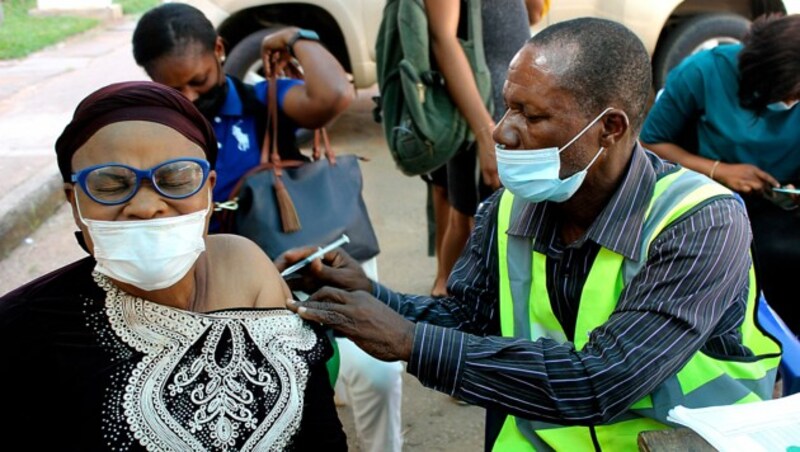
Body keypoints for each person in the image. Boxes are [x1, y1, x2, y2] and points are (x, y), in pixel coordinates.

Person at [278, 18, 782, 451]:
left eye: (532, 115)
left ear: (609, 128)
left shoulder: (700, 222)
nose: (501, 131)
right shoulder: (509, 209)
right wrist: (374, 298)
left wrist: (410, 341)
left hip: (676, 442)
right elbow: (469, 319)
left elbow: (604, 379)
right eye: (507, 106)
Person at [0, 81, 346, 450]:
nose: (147, 207)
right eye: (111, 185)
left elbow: (316, 427)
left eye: (177, 179)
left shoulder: (246, 268)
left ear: (210, 192)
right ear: (75, 202)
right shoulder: (23, 328)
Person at [131, 5, 404, 451]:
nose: (190, 96)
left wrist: (299, 36)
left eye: (197, 80)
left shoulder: (258, 99)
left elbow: (333, 94)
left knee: (377, 372)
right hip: (213, 287)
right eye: (172, 86)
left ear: (220, 51)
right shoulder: (156, 128)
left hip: (297, 265)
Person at [640, 14, 800, 335]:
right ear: (762, 81)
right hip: (713, 199)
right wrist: (720, 171)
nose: (792, 103)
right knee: (756, 255)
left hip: (782, 204)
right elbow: (650, 142)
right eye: (789, 95)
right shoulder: (706, 71)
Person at [426, 0, 548, 298]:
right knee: (475, 221)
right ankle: (449, 309)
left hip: (509, 106)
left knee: (487, 217)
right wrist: (485, 133)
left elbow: (532, 14)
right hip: (481, 112)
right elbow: (443, 39)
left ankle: (451, 301)